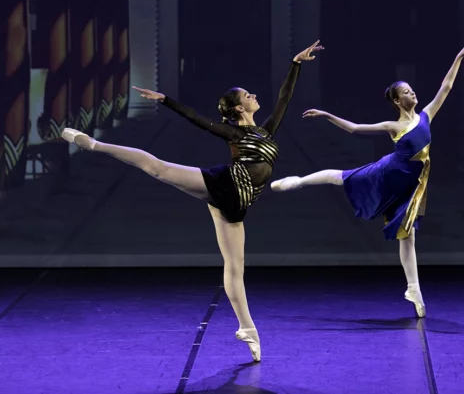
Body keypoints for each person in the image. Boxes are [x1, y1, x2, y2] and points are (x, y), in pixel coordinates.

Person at [61, 40, 324, 361]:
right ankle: (96, 145)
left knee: (235, 266)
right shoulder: (235, 134)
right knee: (158, 168)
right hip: (226, 184)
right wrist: (166, 100)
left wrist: (296, 63)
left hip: (239, 203)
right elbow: (198, 119)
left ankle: (247, 329)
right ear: (240, 108)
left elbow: (285, 97)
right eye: (248, 96)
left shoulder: (267, 131)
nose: (254, 96)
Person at [270, 38, 464, 318]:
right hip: (387, 174)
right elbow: (356, 129)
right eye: (406, 91)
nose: (413, 92)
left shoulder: (427, 116)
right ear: (397, 100)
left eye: (412, 89)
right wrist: (326, 114)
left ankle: (413, 289)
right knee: (343, 177)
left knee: (408, 237)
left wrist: (459, 57)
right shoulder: (394, 126)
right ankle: (298, 181)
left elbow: (446, 87)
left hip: (410, 187)